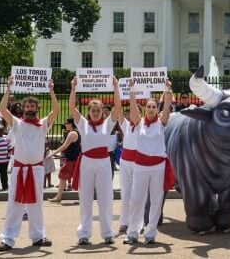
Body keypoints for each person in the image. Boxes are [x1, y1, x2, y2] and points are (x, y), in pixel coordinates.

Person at [0, 75, 59, 251]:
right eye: (27, 106)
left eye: (33, 106)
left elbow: (56, 110)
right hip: (19, 169)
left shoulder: (43, 123)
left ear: (37, 108)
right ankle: (7, 239)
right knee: (14, 204)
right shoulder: (17, 123)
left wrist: (51, 91)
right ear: (23, 108)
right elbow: (2, 109)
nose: (30, 108)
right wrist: (8, 88)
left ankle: (38, 236)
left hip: (37, 169)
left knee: (36, 203)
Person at [69, 76, 121, 245]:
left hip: (104, 162)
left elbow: (118, 106)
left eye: (98, 110)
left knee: (105, 197)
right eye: (93, 110)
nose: (96, 113)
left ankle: (107, 233)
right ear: (89, 111)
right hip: (87, 163)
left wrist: (115, 86)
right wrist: (73, 88)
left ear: (102, 111)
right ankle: (84, 233)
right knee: (85, 198)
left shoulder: (107, 124)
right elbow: (71, 107)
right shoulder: (83, 124)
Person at [124, 79, 173, 245]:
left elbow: (166, 107)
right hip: (141, 167)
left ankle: (151, 233)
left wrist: (168, 90)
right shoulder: (139, 123)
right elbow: (132, 107)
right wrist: (132, 89)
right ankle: (132, 232)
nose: (151, 109)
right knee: (136, 199)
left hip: (158, 167)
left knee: (156, 201)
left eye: (153, 106)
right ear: (145, 109)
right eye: (149, 107)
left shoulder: (161, 123)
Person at [117, 105, 141, 233]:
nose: (131, 114)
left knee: (137, 194)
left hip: (138, 163)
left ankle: (137, 222)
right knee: (125, 193)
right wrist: (117, 90)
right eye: (130, 112)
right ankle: (124, 222)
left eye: (135, 111)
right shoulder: (126, 125)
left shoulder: (142, 125)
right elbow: (118, 110)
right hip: (125, 162)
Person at [47, 117, 80, 203]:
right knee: (64, 176)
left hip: (73, 160)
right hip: (73, 159)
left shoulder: (72, 134)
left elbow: (64, 146)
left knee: (63, 176)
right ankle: (59, 196)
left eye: (66, 123)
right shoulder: (74, 133)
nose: (65, 124)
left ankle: (59, 197)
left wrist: (52, 154)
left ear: (71, 124)